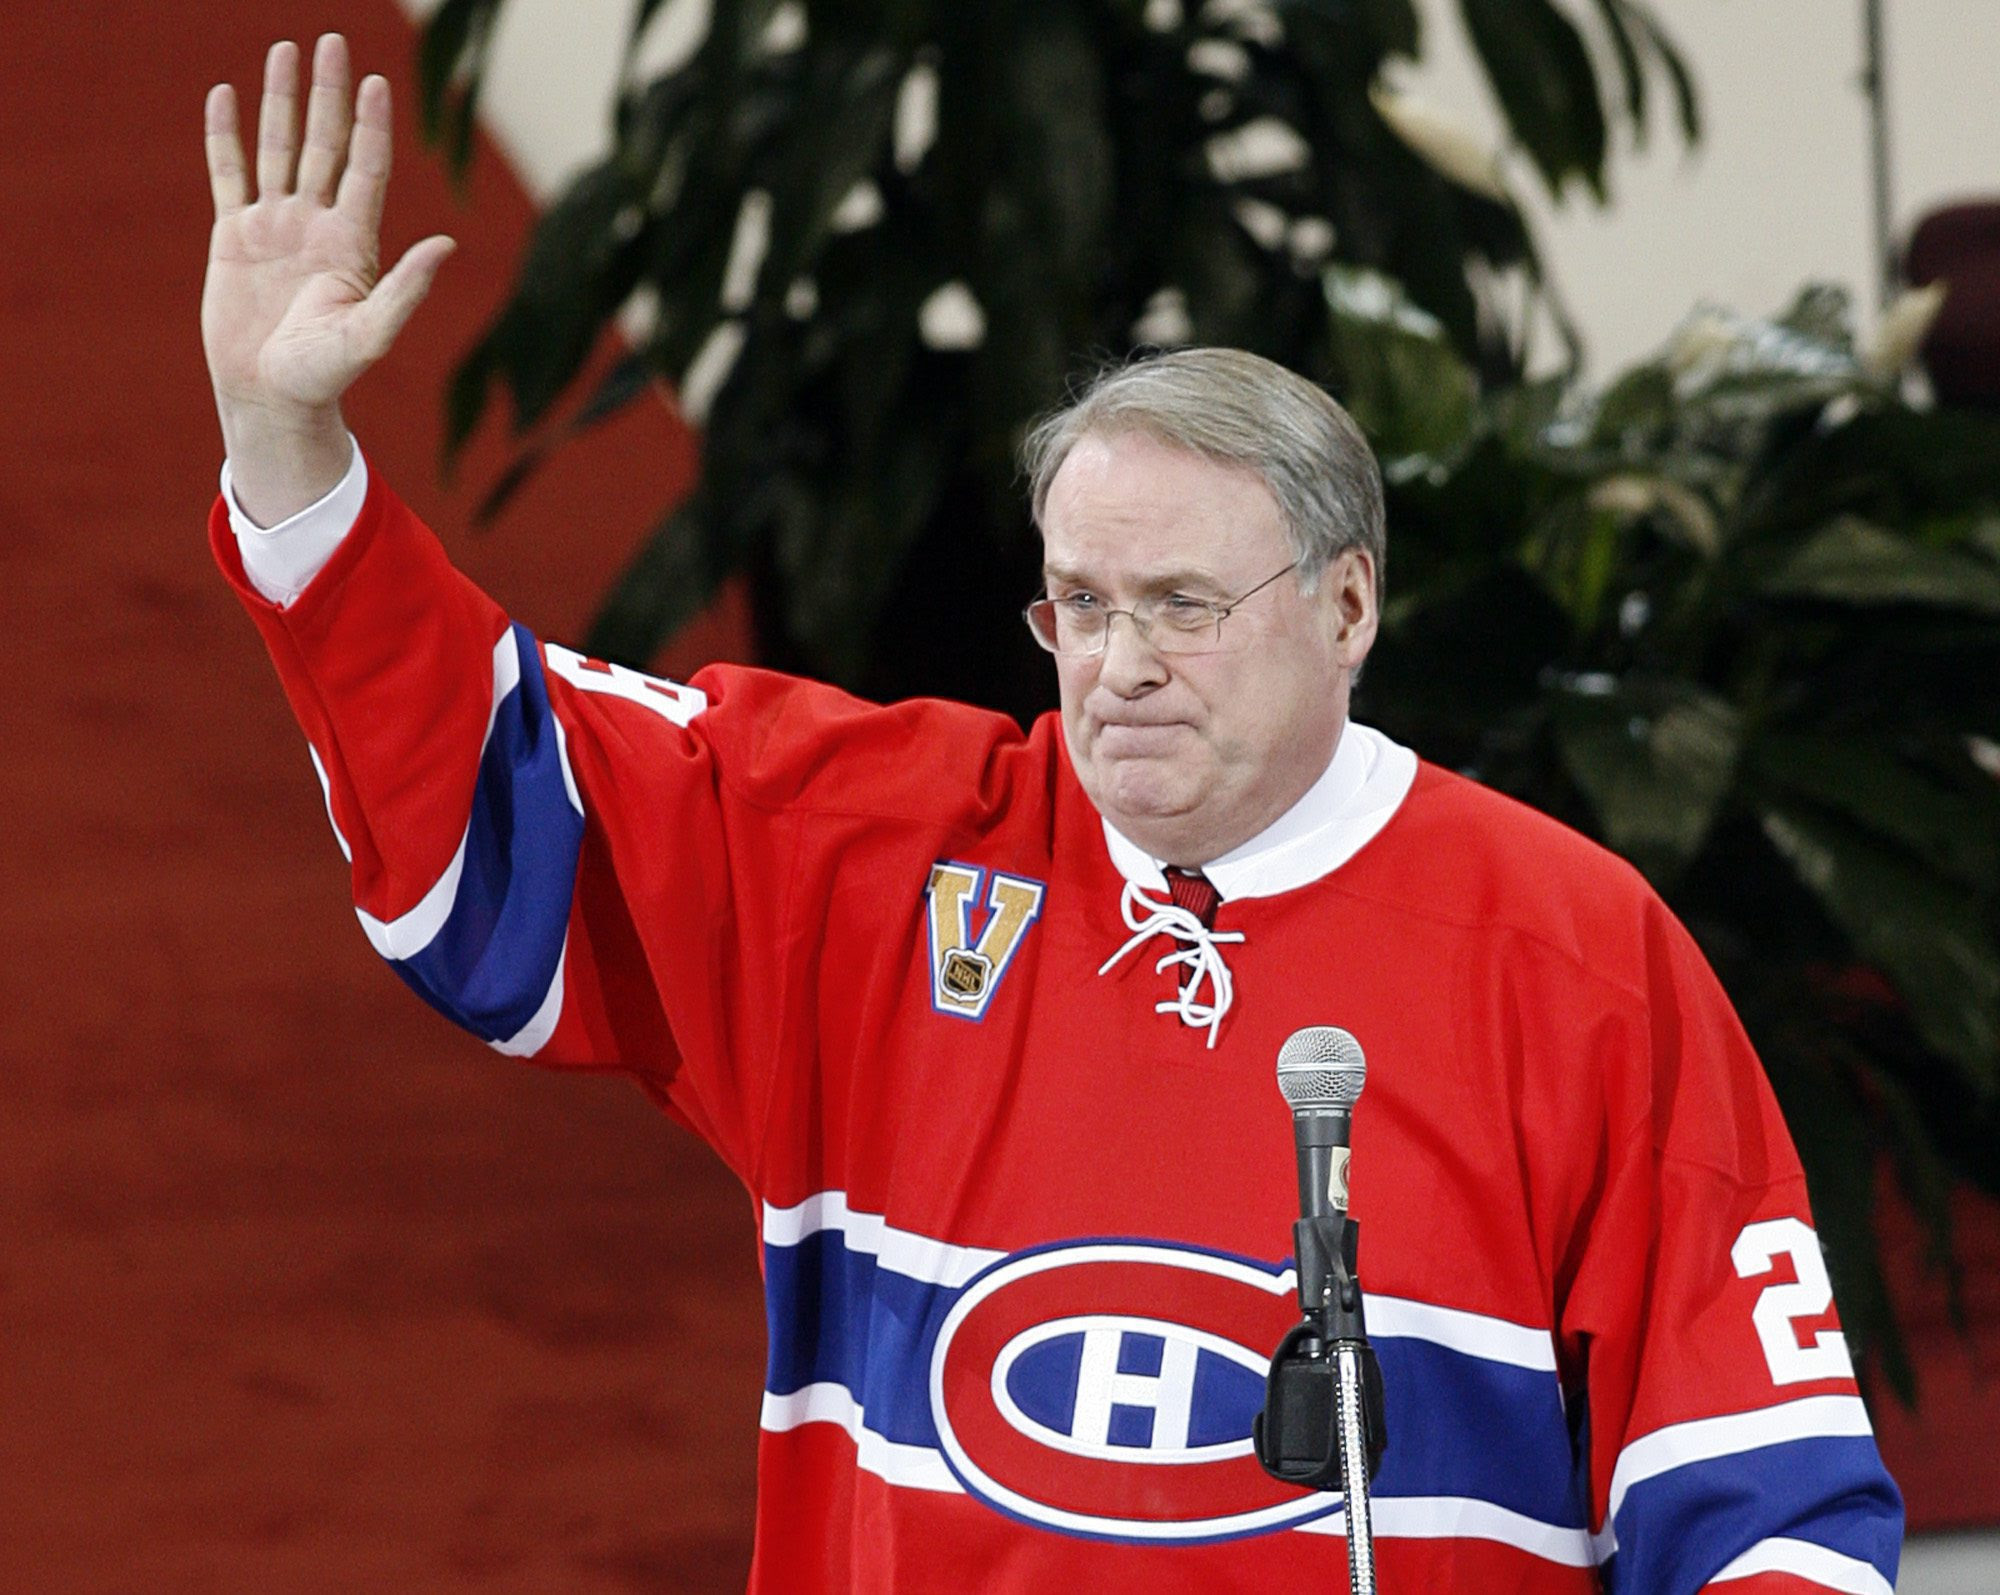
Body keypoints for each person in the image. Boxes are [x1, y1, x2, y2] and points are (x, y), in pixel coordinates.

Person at [202, 33, 1903, 1595]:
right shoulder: (873, 859)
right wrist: (289, 451)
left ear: (1348, 605)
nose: (1122, 665)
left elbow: (1765, 1508)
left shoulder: (1576, 956)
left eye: (1184, 605)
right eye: (1081, 604)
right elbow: (508, 768)